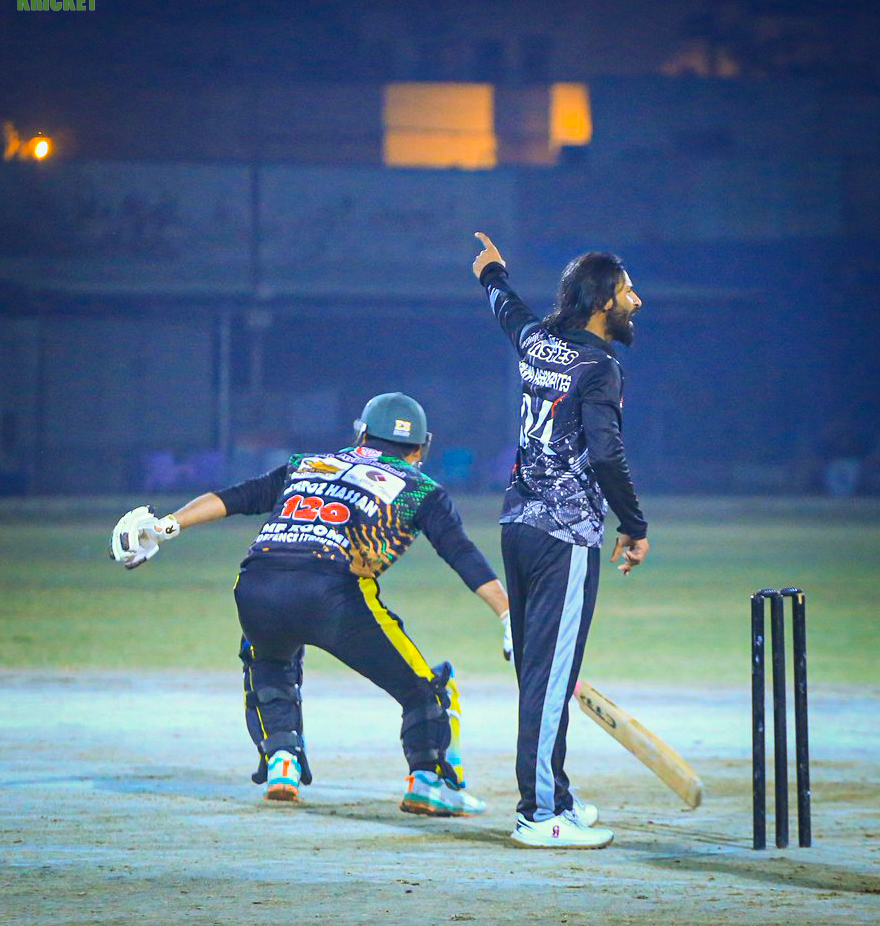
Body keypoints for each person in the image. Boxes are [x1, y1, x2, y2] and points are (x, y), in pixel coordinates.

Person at [109, 392, 512, 817]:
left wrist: (165, 526)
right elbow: (459, 552)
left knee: (269, 660)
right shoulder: (420, 489)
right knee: (425, 689)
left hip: (256, 584)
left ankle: (281, 761)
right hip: (330, 592)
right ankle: (429, 782)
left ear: (361, 434)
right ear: (420, 448)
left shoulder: (309, 464)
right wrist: (505, 612)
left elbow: (237, 497)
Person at [471, 233, 649, 848]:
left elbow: (510, 313)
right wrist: (634, 525)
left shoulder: (538, 344)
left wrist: (492, 274)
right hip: (564, 536)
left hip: (517, 527)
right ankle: (540, 812)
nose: (636, 302)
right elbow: (605, 453)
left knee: (541, 674)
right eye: (627, 291)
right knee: (550, 679)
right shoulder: (601, 367)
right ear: (602, 302)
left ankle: (557, 796)